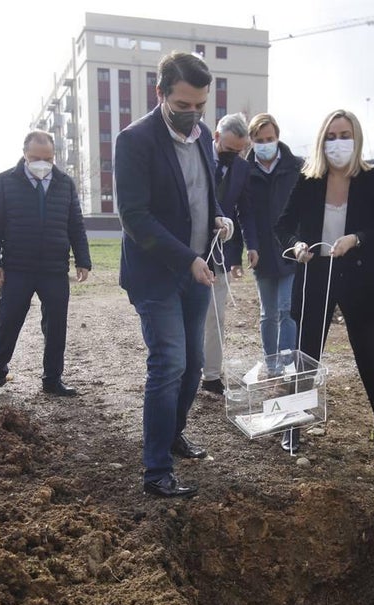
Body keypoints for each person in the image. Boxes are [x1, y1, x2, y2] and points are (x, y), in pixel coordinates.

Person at [115, 51, 234, 498]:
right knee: (169, 363)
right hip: (156, 272)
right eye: (183, 105)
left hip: (197, 268)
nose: (192, 114)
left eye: (200, 106)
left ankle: (173, 433)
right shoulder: (135, 141)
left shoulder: (203, 137)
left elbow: (205, 195)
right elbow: (135, 217)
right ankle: (156, 470)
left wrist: (220, 219)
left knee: (195, 366)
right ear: (160, 93)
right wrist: (186, 257)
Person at [275, 108, 374, 465]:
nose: (337, 143)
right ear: (321, 141)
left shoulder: (373, 178)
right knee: (305, 359)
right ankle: (293, 426)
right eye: (331, 136)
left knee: (371, 359)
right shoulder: (309, 178)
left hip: (359, 277)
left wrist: (357, 239)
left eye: (344, 135)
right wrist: (296, 245)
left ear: (356, 138)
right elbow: (283, 225)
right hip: (315, 275)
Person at [0, 130, 91, 399]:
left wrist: (83, 260)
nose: (42, 163)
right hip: (17, 266)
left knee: (56, 326)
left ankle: (52, 379)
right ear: (24, 154)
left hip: (54, 268)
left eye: (48, 158)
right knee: (7, 321)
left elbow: (75, 223)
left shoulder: (65, 183)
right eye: (36, 157)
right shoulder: (6, 181)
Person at [200, 112, 259, 396]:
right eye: (228, 149)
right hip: (188, 248)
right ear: (216, 137)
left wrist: (252, 244)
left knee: (216, 316)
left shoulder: (242, 168)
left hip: (219, 252)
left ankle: (211, 375)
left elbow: (246, 209)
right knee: (188, 316)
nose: (233, 155)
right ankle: (183, 371)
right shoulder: (195, 156)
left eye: (240, 151)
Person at [245, 112, 302, 372]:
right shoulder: (245, 172)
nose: (265, 143)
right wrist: (250, 246)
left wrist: (301, 242)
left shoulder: (296, 167)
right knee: (268, 314)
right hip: (262, 254)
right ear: (252, 140)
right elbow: (243, 213)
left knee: (286, 310)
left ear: (277, 137)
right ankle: (271, 364)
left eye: (269, 138)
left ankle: (287, 362)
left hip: (291, 250)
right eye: (259, 139)